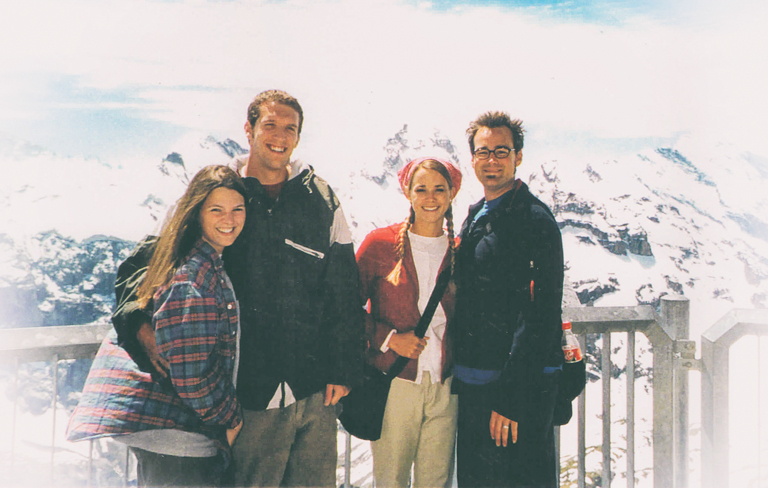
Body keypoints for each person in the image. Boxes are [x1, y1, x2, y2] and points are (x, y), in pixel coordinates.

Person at [108, 89, 365, 487]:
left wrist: (344, 369)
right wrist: (137, 324)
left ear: (298, 137)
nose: (279, 136)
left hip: (315, 393)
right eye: (270, 125)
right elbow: (142, 266)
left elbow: (345, 289)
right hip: (248, 398)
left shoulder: (322, 199)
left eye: (289, 128)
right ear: (248, 130)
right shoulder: (218, 195)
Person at [67, 165, 247, 487]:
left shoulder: (188, 257)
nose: (229, 219)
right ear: (197, 214)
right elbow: (191, 374)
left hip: (167, 434)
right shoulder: (196, 276)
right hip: (182, 444)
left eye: (238, 209)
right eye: (216, 210)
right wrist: (231, 416)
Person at [451, 112, 565, 487]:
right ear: (472, 160)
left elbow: (541, 316)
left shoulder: (534, 220)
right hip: (475, 385)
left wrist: (512, 399)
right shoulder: (477, 216)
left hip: (511, 393)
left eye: (502, 151)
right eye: (483, 152)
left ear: (519, 156)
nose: (492, 160)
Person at [356, 157, 463, 488]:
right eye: (421, 189)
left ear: (451, 194)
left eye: (439, 190)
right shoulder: (380, 245)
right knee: (391, 481)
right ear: (407, 191)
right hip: (396, 382)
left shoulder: (460, 250)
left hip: (445, 388)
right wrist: (388, 339)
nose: (430, 198)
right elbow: (343, 307)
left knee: (435, 481)